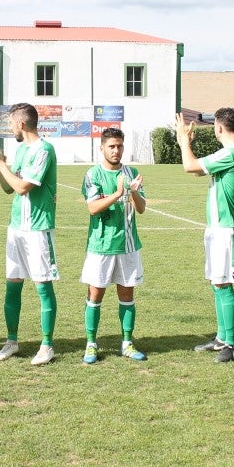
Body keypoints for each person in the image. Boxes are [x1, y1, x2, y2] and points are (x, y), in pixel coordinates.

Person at [0, 103, 60, 365]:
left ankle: (47, 345)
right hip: (16, 228)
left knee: (42, 287)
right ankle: (12, 341)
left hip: (38, 229)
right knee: (12, 285)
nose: (9, 129)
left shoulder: (44, 150)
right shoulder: (20, 150)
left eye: (10, 124)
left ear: (20, 124)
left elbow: (22, 187)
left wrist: (2, 165)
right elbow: (8, 189)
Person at [176, 108, 234, 363]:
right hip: (218, 228)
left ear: (219, 128)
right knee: (216, 283)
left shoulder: (232, 153)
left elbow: (189, 166)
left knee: (222, 284)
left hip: (226, 229)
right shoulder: (231, 153)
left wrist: (184, 142)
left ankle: (232, 344)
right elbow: (197, 170)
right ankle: (221, 337)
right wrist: (184, 144)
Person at [79, 127, 147, 364]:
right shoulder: (93, 174)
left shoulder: (132, 172)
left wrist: (134, 192)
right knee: (95, 295)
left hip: (128, 245)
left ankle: (127, 343)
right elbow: (93, 208)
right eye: (111, 146)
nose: (116, 150)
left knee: (127, 294)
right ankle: (91, 344)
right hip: (100, 245)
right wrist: (119, 193)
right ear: (102, 148)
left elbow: (141, 208)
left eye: (119, 146)